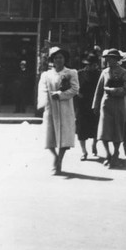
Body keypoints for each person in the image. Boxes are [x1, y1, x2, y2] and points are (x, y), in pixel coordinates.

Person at [37, 47, 79, 175]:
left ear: (65, 59)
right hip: (51, 109)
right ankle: (55, 156)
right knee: (49, 138)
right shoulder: (47, 74)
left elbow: (75, 89)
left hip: (65, 108)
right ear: (52, 60)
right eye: (56, 58)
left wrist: (60, 94)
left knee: (64, 137)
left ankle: (59, 161)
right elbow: (42, 89)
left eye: (61, 57)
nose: (58, 60)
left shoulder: (71, 73)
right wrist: (43, 102)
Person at [92, 48, 126, 168]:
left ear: (117, 60)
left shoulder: (125, 73)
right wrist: (95, 105)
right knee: (104, 131)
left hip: (119, 105)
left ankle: (115, 155)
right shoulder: (104, 72)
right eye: (108, 58)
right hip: (106, 105)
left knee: (118, 131)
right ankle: (108, 154)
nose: (109, 60)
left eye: (112, 58)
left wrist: (112, 90)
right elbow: (99, 90)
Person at [75, 53, 101, 160]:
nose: (92, 67)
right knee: (81, 129)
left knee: (96, 127)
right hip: (82, 105)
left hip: (94, 104)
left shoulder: (99, 74)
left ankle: (94, 144)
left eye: (94, 65)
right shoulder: (79, 73)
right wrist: (77, 93)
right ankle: (84, 151)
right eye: (90, 64)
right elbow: (74, 86)